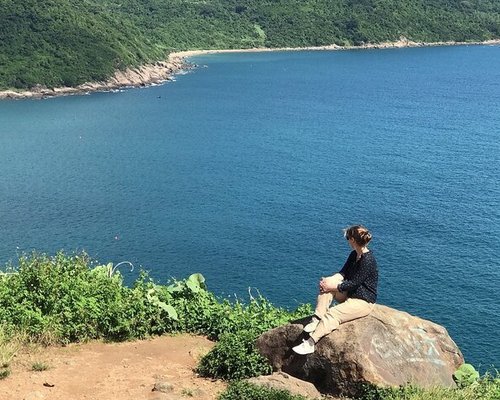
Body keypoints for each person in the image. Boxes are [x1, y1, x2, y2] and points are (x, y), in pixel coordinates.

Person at [292, 225, 378, 355]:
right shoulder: (354, 254)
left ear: (353, 240)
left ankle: (310, 343)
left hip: (363, 300)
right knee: (327, 286)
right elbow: (343, 273)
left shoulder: (368, 260)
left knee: (333, 314)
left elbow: (354, 284)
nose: (347, 241)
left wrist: (332, 286)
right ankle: (316, 319)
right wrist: (328, 280)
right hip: (350, 294)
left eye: (348, 238)